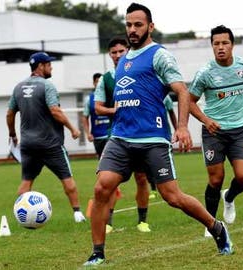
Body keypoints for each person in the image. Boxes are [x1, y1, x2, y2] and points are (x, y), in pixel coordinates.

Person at [83, 3, 233, 266]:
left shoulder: (159, 55)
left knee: (172, 197)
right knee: (101, 188)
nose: (132, 29)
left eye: (138, 24)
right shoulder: (124, 59)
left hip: (152, 139)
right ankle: (97, 253)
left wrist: (183, 127)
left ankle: (216, 227)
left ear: (150, 26)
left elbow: (182, 91)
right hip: (120, 138)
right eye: (128, 24)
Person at [189, 25, 243, 236]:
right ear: (212, 46)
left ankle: (228, 197)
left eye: (225, 43)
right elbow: (189, 101)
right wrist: (205, 119)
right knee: (215, 179)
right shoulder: (205, 73)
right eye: (216, 44)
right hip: (214, 132)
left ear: (232, 45)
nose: (220, 47)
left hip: (239, 130)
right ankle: (210, 223)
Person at [6, 52, 86, 223]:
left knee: (26, 181)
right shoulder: (47, 86)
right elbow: (55, 111)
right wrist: (72, 129)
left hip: (28, 144)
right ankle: (77, 213)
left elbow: (10, 113)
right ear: (41, 66)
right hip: (50, 144)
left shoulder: (18, 87)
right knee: (67, 178)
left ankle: (20, 217)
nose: (51, 67)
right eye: (49, 64)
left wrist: (13, 134)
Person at [94, 37, 152, 234]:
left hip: (141, 135)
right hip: (117, 136)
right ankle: (108, 222)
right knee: (110, 181)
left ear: (127, 50)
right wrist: (114, 110)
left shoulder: (140, 71)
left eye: (121, 51)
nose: (117, 55)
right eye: (113, 52)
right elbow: (98, 107)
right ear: (109, 55)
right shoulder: (106, 79)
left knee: (142, 178)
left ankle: (142, 221)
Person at [149, 94, 178, 199]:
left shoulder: (165, 97)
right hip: (147, 136)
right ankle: (153, 189)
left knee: (165, 165)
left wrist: (177, 129)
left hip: (163, 136)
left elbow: (171, 113)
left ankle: (172, 187)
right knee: (147, 167)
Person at [82, 73, 109, 159]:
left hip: (110, 134)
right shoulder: (89, 99)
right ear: (93, 83)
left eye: (100, 82)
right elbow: (85, 117)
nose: (99, 84)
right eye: (97, 82)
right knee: (101, 161)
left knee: (112, 161)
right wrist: (88, 133)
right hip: (98, 137)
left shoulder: (110, 96)